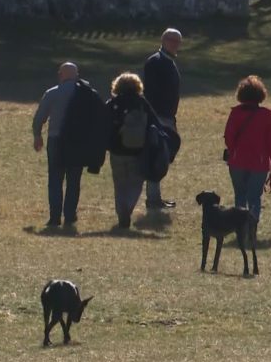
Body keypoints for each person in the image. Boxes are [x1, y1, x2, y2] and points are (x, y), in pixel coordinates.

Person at [33, 62, 108, 227]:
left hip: (56, 140)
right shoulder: (89, 94)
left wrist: (37, 135)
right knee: (74, 180)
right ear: (77, 75)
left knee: (55, 179)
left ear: (60, 74)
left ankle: (54, 217)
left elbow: (40, 117)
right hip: (78, 142)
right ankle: (69, 215)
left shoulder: (52, 93)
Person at [223, 75, 271, 232]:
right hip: (259, 164)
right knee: (254, 197)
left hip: (237, 163)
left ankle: (240, 229)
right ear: (260, 95)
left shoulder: (235, 113)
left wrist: (234, 151)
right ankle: (252, 228)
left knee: (240, 196)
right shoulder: (267, 116)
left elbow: (228, 137)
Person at [106, 73, 162, 229]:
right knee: (136, 183)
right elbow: (154, 123)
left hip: (117, 151)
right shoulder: (142, 103)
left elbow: (104, 123)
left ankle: (120, 213)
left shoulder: (113, 103)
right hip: (137, 151)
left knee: (119, 184)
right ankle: (127, 209)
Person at [142, 28, 182, 209]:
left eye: (177, 41)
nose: (175, 44)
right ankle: (152, 199)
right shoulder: (155, 62)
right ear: (163, 40)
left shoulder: (169, 62)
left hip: (167, 116)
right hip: (158, 117)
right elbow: (150, 92)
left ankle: (155, 196)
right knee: (157, 157)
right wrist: (156, 117)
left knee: (163, 156)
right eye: (172, 40)